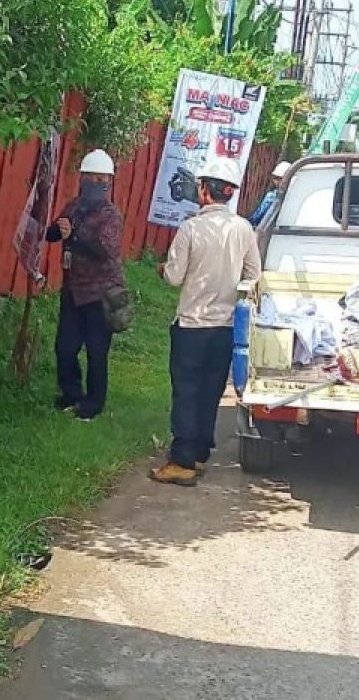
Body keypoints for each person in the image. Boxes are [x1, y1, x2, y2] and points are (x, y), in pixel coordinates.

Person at [151, 157, 261, 487]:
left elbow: (173, 276)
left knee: (186, 391)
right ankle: (199, 453)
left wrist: (161, 269)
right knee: (210, 392)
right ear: (228, 193)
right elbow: (253, 275)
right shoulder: (243, 229)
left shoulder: (190, 228)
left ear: (203, 190)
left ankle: (182, 461)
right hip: (225, 328)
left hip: (192, 325)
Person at [45, 149, 126, 422]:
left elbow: (106, 249)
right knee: (65, 347)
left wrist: (76, 235)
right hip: (72, 290)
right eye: (90, 178)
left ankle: (93, 404)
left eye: (100, 179)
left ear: (108, 183)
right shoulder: (73, 206)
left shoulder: (111, 214)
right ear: (82, 179)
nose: (95, 183)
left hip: (100, 294)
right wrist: (59, 229)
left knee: (96, 351)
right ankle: (71, 394)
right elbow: (53, 233)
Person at [247, 160, 291, 226]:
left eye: (279, 179)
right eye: (276, 178)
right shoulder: (294, 196)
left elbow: (257, 216)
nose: (277, 182)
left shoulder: (272, 197)